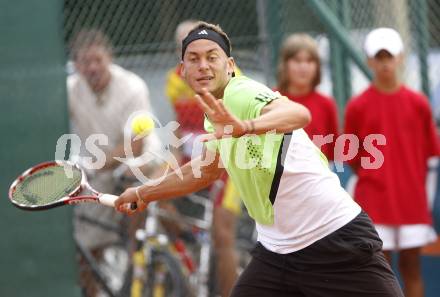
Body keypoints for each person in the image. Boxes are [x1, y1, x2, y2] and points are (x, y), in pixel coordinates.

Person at [115, 21, 404, 297]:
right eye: (193, 59)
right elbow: (205, 172)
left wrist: (246, 127)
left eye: (212, 57)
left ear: (229, 66)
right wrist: (144, 192)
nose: (203, 65)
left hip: (333, 238)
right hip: (278, 253)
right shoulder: (213, 114)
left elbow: (299, 115)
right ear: (183, 70)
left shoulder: (241, 92)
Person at [344, 28, 439, 297]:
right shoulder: (357, 106)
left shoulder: (418, 103)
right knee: (379, 270)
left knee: (412, 269)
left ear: (400, 58)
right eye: (379, 57)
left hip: (411, 200)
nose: (385, 63)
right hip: (374, 200)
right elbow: (351, 155)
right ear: (369, 61)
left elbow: (431, 151)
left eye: (390, 56)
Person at [68, 28, 160, 296]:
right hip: (97, 169)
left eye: (98, 60)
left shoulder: (132, 86)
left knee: (133, 177)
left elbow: (137, 144)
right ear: (77, 65)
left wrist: (95, 164)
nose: (93, 67)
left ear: (110, 57)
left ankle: (136, 258)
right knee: (86, 250)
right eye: (86, 62)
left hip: (138, 158)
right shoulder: (70, 90)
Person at [165, 20, 242, 297]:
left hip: (229, 163)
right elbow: (179, 127)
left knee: (223, 237)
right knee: (155, 197)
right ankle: (191, 241)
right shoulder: (174, 80)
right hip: (193, 161)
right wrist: (171, 160)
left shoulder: (229, 74)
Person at [276, 33, 339, 161]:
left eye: (309, 61)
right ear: (285, 64)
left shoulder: (326, 104)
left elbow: (333, 153)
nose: (303, 67)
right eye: (297, 60)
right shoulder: (271, 99)